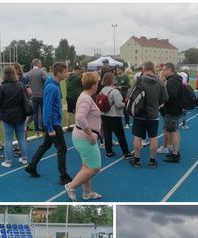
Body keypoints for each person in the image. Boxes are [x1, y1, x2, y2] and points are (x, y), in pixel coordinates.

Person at [25, 62, 72, 185]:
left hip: (53, 122)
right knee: (62, 148)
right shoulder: (52, 88)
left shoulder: (54, 85)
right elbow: (47, 108)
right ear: (59, 73)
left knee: (45, 145)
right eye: (65, 72)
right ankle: (63, 176)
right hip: (53, 123)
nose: (67, 74)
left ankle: (31, 166)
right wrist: (50, 127)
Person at [65, 71, 103, 201]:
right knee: (94, 167)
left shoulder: (85, 96)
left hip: (82, 137)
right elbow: (80, 117)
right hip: (85, 138)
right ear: (93, 85)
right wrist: (90, 134)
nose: (98, 85)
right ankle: (71, 186)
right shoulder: (86, 99)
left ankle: (87, 193)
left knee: (86, 166)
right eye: (97, 83)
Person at [129, 61, 168, 169]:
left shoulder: (138, 80)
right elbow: (165, 98)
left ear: (143, 69)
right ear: (153, 69)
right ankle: (152, 161)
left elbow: (130, 95)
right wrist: (156, 104)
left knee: (138, 137)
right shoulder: (159, 82)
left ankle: (137, 160)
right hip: (153, 115)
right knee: (153, 137)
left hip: (139, 114)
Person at [0, 65, 29, 168]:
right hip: (20, 115)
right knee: (21, 137)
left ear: (4, 75)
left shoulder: (2, 87)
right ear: (14, 74)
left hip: (7, 116)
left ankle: (8, 161)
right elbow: (25, 99)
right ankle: (24, 158)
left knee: (8, 139)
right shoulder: (21, 85)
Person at [99, 72, 133, 159]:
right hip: (114, 116)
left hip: (104, 115)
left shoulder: (102, 90)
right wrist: (125, 103)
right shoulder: (115, 91)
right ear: (112, 80)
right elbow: (118, 105)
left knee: (107, 134)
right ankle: (126, 153)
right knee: (120, 135)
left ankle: (109, 151)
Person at [160, 63, 183, 163]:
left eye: (164, 70)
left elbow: (172, 96)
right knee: (175, 130)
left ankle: (175, 154)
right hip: (175, 109)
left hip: (172, 110)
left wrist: (163, 103)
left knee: (172, 131)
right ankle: (175, 151)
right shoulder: (176, 79)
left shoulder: (172, 81)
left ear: (170, 70)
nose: (163, 72)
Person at [25, 59, 47, 137]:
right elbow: (47, 82)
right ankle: (44, 129)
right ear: (38, 64)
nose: (41, 65)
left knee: (35, 114)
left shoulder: (28, 73)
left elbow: (25, 84)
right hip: (42, 95)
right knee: (43, 112)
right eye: (40, 63)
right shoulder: (42, 72)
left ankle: (37, 131)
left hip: (33, 96)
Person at [66, 64, 83, 129]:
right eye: (79, 71)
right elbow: (83, 84)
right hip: (75, 97)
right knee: (77, 111)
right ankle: (77, 125)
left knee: (69, 111)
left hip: (68, 96)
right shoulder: (78, 78)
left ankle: (68, 126)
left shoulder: (68, 77)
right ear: (77, 70)